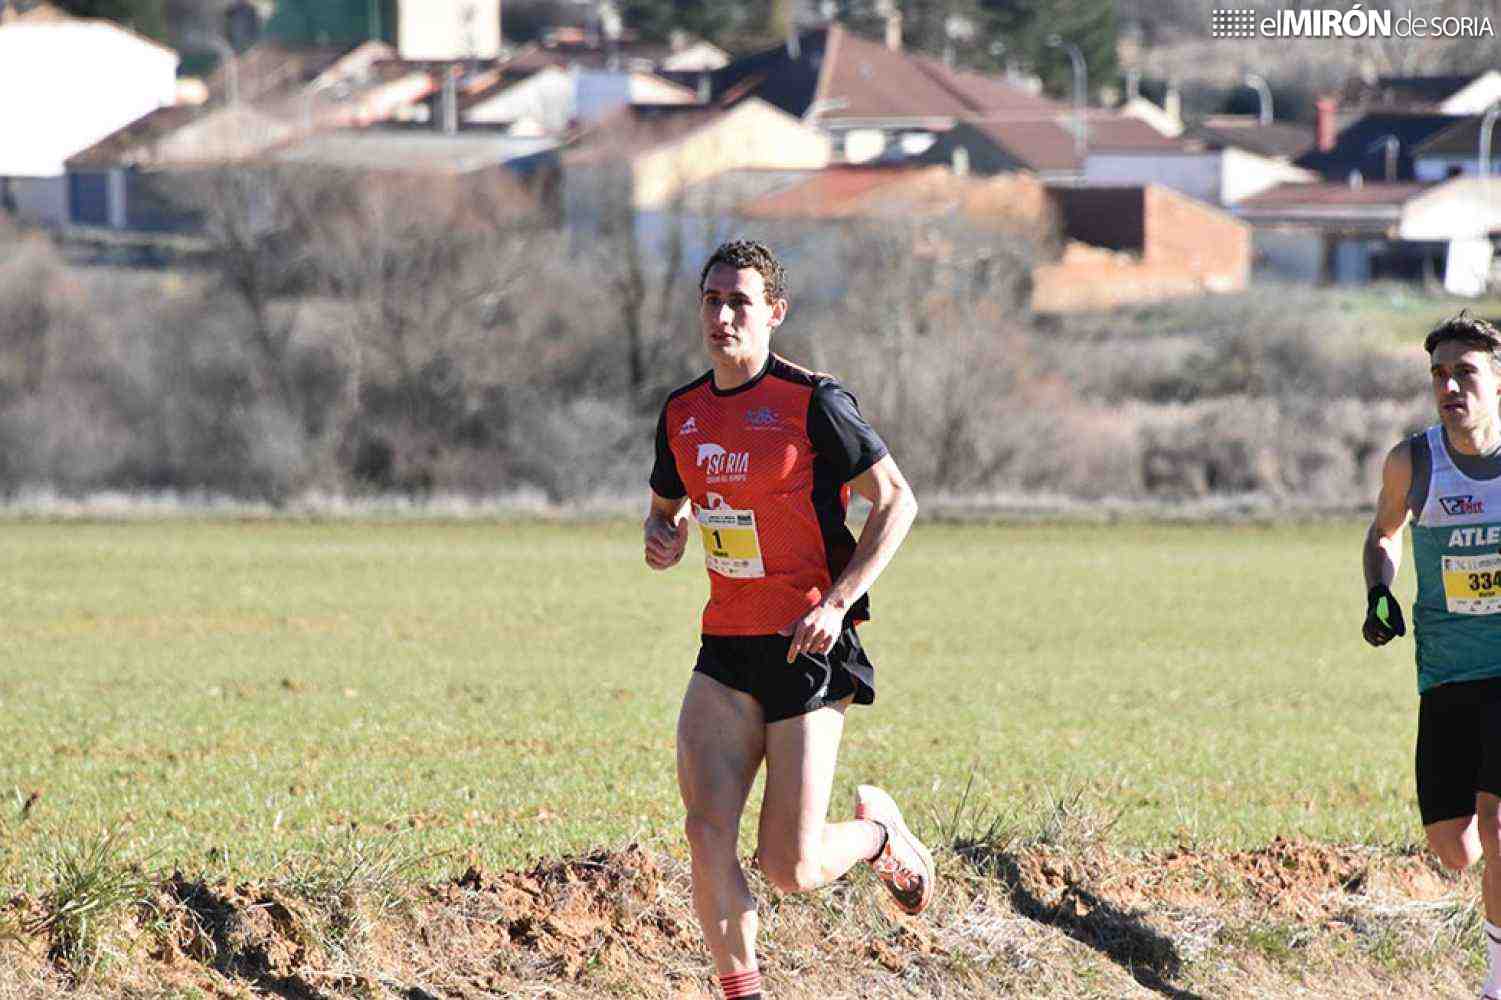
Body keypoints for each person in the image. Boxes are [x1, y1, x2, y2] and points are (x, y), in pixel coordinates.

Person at [643, 240, 932, 1000]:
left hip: (807, 647)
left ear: (774, 311)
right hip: (724, 650)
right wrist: (661, 538)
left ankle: (878, 837)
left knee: (790, 866)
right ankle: (743, 992)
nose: (722, 315)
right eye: (711, 299)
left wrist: (837, 603)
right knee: (705, 832)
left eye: (739, 301)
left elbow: (896, 500)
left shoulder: (813, 402)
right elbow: (664, 509)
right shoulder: (682, 413)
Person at [1364, 311, 1501, 999]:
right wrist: (1377, 592)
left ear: (1498, 384)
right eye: (1439, 375)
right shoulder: (1413, 462)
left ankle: (1495, 985)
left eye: (1466, 372)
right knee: (1455, 849)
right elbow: (1383, 533)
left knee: (1496, 824)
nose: (1450, 386)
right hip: (1446, 672)